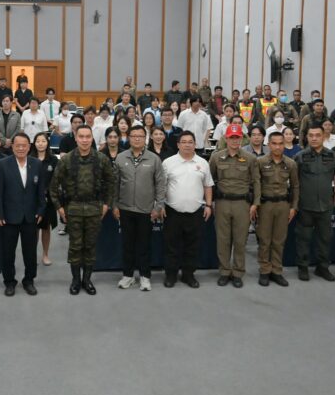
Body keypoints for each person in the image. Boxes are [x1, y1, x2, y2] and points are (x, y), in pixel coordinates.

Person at [50, 125, 116, 295]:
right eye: (81, 136)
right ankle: (75, 280)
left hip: (95, 208)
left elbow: (111, 183)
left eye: (88, 136)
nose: (85, 140)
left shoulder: (101, 159)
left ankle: (87, 280)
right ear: (76, 138)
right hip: (73, 209)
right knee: (75, 246)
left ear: (92, 138)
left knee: (90, 246)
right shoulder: (66, 160)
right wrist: (59, 208)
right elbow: (53, 186)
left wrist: (106, 205)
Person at [113, 125, 165, 291]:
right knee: (127, 245)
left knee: (144, 245)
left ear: (145, 139)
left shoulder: (154, 159)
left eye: (140, 136)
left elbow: (160, 184)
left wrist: (158, 206)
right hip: (125, 209)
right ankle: (128, 276)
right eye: (133, 135)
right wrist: (114, 205)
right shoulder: (120, 158)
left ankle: (145, 276)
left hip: (146, 210)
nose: (137, 138)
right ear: (128, 138)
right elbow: (115, 184)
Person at [0, 133, 46, 296]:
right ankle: (9, 282)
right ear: (12, 147)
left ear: (29, 147)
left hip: (30, 216)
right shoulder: (3, 164)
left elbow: (41, 191)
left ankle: (29, 280)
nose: (21, 148)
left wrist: (41, 210)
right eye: (18, 145)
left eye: (24, 145)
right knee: (8, 253)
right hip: (8, 217)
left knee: (30, 252)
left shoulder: (37, 164)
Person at [161, 131, 213, 288]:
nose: (187, 145)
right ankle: (171, 275)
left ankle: (188, 275)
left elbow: (208, 185)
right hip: (172, 211)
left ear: (195, 144)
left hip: (196, 212)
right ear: (178, 145)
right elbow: (161, 186)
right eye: (183, 142)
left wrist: (208, 205)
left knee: (193, 246)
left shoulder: (203, 163)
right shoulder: (168, 163)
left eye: (190, 142)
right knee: (171, 246)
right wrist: (160, 205)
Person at [251, 131, 299, 287]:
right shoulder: (260, 162)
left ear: (284, 144)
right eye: (274, 143)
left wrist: (294, 207)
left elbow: (295, 186)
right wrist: (256, 204)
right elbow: (256, 184)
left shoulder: (291, 163)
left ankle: (277, 271)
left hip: (283, 205)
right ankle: (265, 270)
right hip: (265, 205)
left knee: (279, 240)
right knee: (264, 240)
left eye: (280, 143)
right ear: (269, 144)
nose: (278, 147)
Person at [295, 126, 335, 282]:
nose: (314, 138)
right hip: (305, 204)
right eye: (311, 135)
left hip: (326, 205)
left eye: (317, 135)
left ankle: (322, 268)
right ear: (307, 137)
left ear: (323, 137)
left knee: (325, 238)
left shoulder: (333, 156)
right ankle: (303, 267)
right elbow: (294, 180)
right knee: (304, 238)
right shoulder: (299, 156)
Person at [209, 125, 254, 288]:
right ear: (226, 139)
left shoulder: (250, 158)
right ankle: (224, 271)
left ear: (241, 139)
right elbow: (210, 180)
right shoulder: (216, 157)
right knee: (223, 239)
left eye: (237, 137)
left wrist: (255, 204)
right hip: (222, 203)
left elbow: (256, 182)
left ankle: (238, 272)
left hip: (242, 203)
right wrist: (210, 203)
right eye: (231, 138)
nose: (235, 141)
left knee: (240, 240)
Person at [32, 132, 58, 265]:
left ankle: (45, 254)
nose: (40, 144)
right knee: (33, 228)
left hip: (48, 199)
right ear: (34, 143)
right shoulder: (29, 159)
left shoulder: (53, 160)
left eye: (43, 141)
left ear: (47, 143)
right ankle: (32, 255)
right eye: (38, 141)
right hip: (32, 199)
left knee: (46, 227)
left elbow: (57, 180)